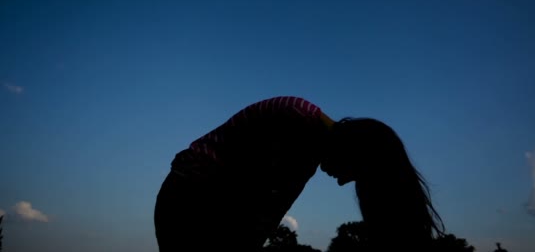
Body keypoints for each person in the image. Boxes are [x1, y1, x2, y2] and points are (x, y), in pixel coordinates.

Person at [154, 95, 444, 252]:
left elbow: (262, 221)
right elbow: (251, 206)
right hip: (190, 196)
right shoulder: (295, 121)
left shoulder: (304, 160)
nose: (342, 181)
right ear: (354, 149)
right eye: (353, 172)